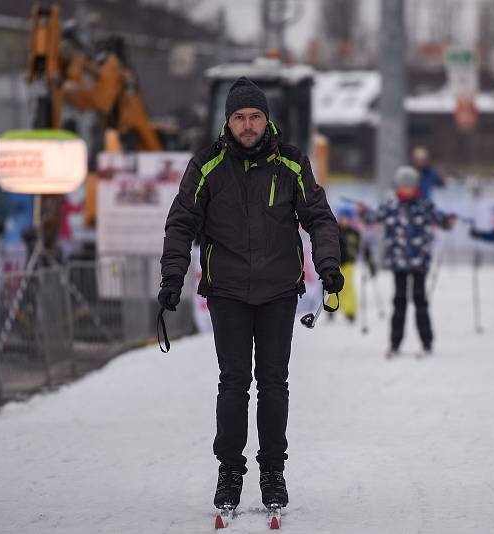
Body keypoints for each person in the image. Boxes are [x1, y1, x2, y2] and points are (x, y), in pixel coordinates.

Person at [158, 77, 342, 514]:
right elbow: (180, 222)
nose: (247, 125)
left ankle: (272, 471)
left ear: (266, 119)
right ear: (228, 121)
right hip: (226, 292)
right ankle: (229, 472)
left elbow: (319, 217)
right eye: (239, 117)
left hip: (280, 290)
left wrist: (329, 265)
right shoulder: (206, 165)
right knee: (234, 383)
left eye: (254, 116)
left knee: (274, 384)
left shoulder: (293, 164)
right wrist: (172, 278)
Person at [358, 166, 456, 358]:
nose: (406, 190)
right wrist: (363, 212)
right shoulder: (391, 205)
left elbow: (441, 221)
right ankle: (395, 343)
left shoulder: (424, 205)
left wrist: (449, 221)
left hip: (419, 262)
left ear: (415, 187)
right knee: (399, 301)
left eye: (409, 186)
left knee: (420, 300)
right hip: (398, 262)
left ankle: (427, 342)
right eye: (403, 186)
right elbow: (372, 217)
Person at [328, 206, 369, 323]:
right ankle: (332, 307)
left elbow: (362, 247)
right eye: (342, 217)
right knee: (335, 285)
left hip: (349, 263)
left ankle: (350, 311)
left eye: (347, 218)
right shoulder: (334, 230)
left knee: (348, 286)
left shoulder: (355, 233)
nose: (344, 220)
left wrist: (368, 258)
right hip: (336, 263)